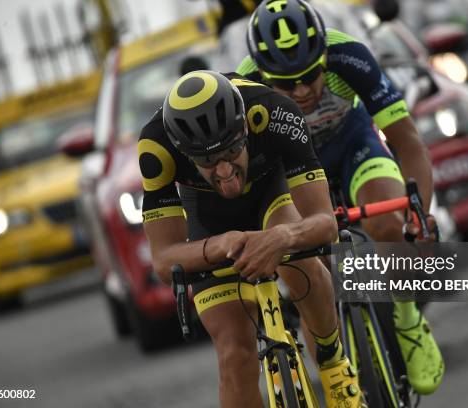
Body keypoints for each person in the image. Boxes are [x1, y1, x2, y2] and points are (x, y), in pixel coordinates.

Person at [237, 0, 444, 395]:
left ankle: (406, 316)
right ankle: (337, 378)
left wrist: (419, 214)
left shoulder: (351, 57)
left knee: (387, 223)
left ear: (324, 57)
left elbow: (408, 141)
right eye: (285, 83)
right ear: (264, 75)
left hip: (352, 145)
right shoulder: (244, 89)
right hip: (292, 170)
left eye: (310, 75)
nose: (301, 90)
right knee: (311, 279)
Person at [139, 70, 366, 407]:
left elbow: (324, 223)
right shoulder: (156, 148)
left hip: (269, 194)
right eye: (206, 161)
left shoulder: (275, 112)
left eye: (231, 151)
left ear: (245, 128)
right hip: (208, 219)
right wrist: (218, 245)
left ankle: (334, 365)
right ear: (185, 153)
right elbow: (163, 259)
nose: (224, 171)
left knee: (297, 259)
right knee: (234, 356)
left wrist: (284, 236)